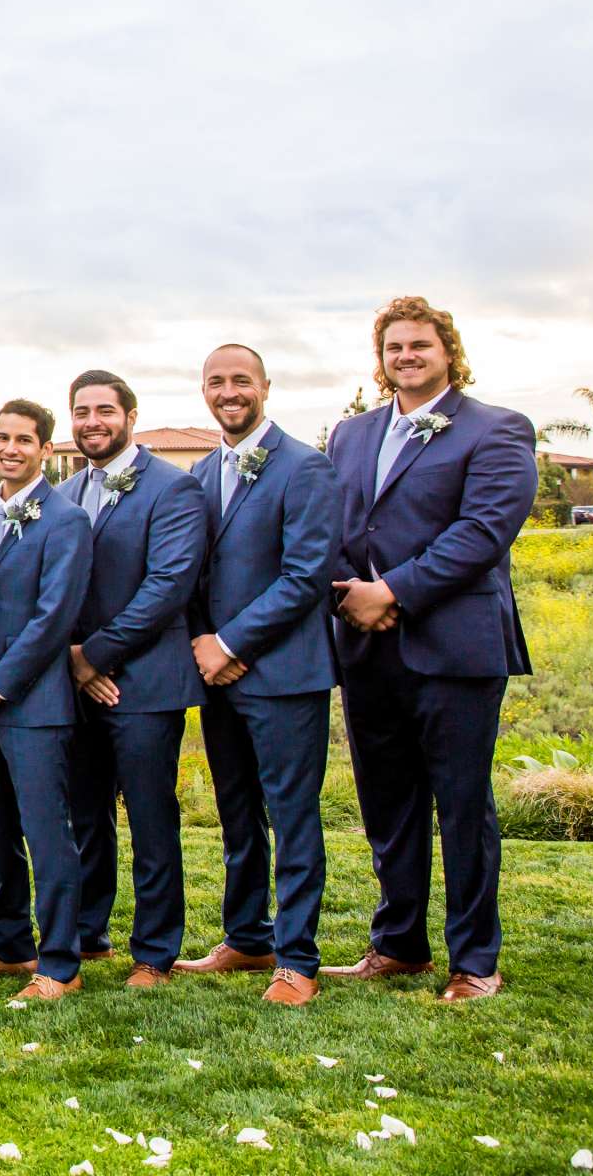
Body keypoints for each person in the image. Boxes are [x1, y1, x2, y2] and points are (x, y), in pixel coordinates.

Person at [325, 297, 536, 1001]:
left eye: (420, 345)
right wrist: (350, 594)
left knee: (462, 805)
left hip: (454, 645)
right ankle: (399, 945)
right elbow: (334, 527)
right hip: (364, 646)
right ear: (380, 359)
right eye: (394, 347)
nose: (406, 356)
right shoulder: (351, 435)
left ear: (448, 351)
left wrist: (395, 592)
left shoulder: (497, 430)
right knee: (388, 803)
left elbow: (483, 532)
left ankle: (475, 961)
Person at [172, 344, 340, 1005]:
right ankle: (247, 937)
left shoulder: (306, 468)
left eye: (240, 380)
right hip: (217, 678)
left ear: (265, 386)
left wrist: (232, 642)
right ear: (204, 391)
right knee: (238, 814)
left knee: (292, 817)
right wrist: (200, 644)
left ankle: (297, 960)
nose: (228, 391)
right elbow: (186, 571)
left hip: (284, 674)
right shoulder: (202, 472)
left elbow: (305, 576)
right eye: (215, 382)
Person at [60, 370, 207, 987]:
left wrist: (96, 655)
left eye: (104, 410)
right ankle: (89, 933)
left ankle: (154, 951)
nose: (93, 421)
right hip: (73, 680)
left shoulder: (173, 490)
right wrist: (74, 660)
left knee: (149, 816)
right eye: (81, 411)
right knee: (86, 815)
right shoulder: (62, 495)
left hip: (145, 680)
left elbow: (168, 586)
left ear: (130, 415)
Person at [0, 399, 94, 1001]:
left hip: (33, 702)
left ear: (44, 449)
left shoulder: (65, 521)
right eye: (1, 438)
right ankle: (8, 946)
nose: (10, 448)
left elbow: (52, 617)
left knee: (46, 831)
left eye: (23, 440)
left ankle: (60, 962)